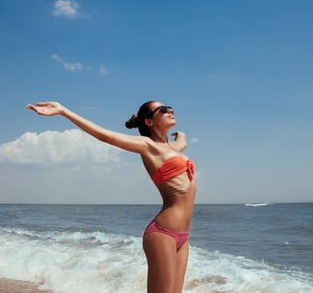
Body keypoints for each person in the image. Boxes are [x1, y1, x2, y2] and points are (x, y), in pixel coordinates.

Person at [26, 101, 197, 293]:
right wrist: (64, 111)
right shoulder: (147, 145)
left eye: (170, 107)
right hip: (163, 233)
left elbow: (179, 145)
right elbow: (106, 136)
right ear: (149, 122)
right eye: (163, 109)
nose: (170, 110)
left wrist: (182, 138)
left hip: (184, 236)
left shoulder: (170, 149)